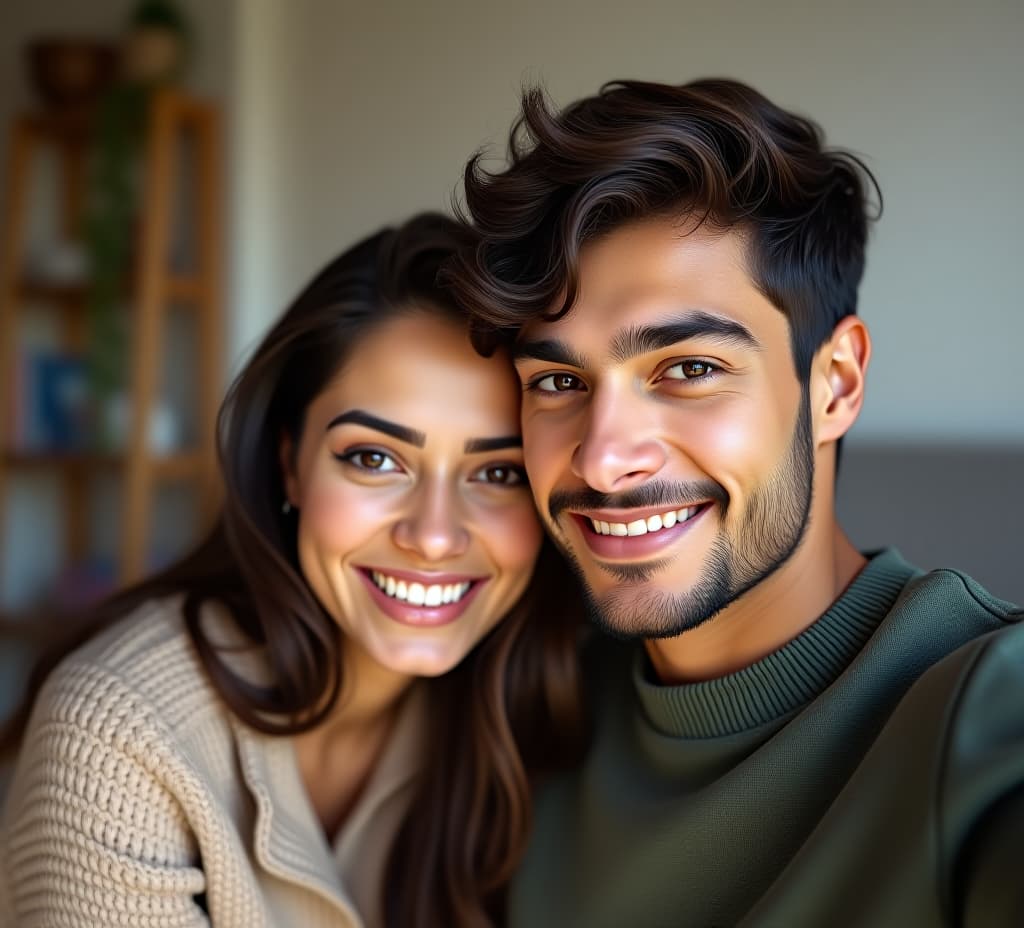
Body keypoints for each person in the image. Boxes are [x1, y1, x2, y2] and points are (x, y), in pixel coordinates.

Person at [448, 79, 1024, 927]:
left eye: (687, 369)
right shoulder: (527, 710)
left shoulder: (985, 707)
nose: (605, 460)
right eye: (560, 381)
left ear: (835, 383)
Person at [0, 213, 585, 928]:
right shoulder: (120, 737)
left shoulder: (543, 701)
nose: (434, 536)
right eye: (374, 458)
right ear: (290, 464)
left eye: (498, 471)